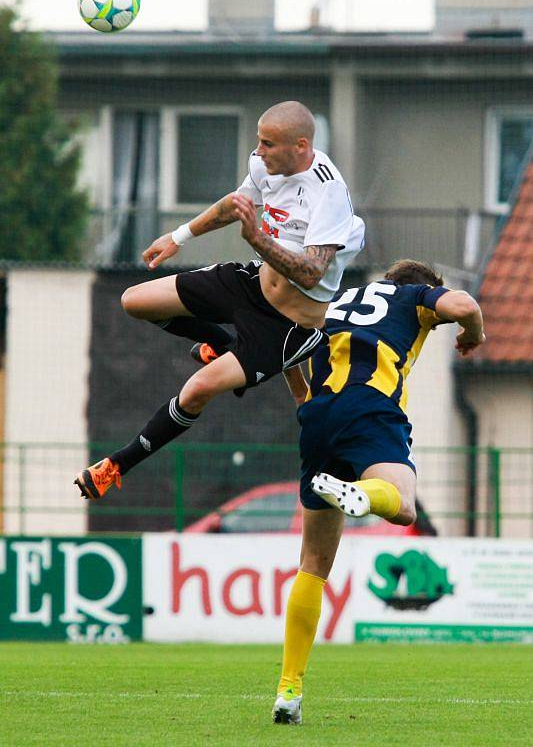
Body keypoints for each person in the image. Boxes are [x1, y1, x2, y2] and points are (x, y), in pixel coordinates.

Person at [74, 100, 365, 500]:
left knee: (197, 390)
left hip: (287, 327)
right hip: (251, 284)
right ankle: (223, 343)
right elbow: (236, 205)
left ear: (300, 146)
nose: (258, 152)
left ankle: (116, 465)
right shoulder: (265, 165)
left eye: (268, 144)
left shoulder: (328, 193)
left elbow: (312, 272)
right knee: (134, 301)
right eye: (258, 142)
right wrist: (177, 238)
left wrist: (258, 239)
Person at [271, 259, 485, 725]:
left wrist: (305, 405)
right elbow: (465, 304)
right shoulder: (413, 298)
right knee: (403, 505)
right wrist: (474, 334)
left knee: (311, 565)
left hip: (318, 415)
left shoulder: (334, 303)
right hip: (370, 408)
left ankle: (289, 690)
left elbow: (286, 355)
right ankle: (363, 495)